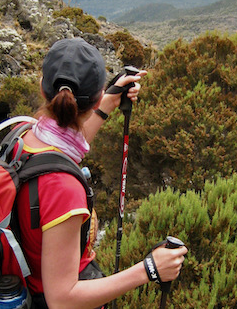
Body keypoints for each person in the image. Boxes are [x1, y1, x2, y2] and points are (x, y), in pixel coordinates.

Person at [14, 37, 187, 309]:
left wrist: (107, 105)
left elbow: (66, 149)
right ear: (94, 96)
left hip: (21, 282)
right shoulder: (64, 189)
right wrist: (149, 269)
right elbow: (62, 298)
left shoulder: (24, 135)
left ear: (42, 86)